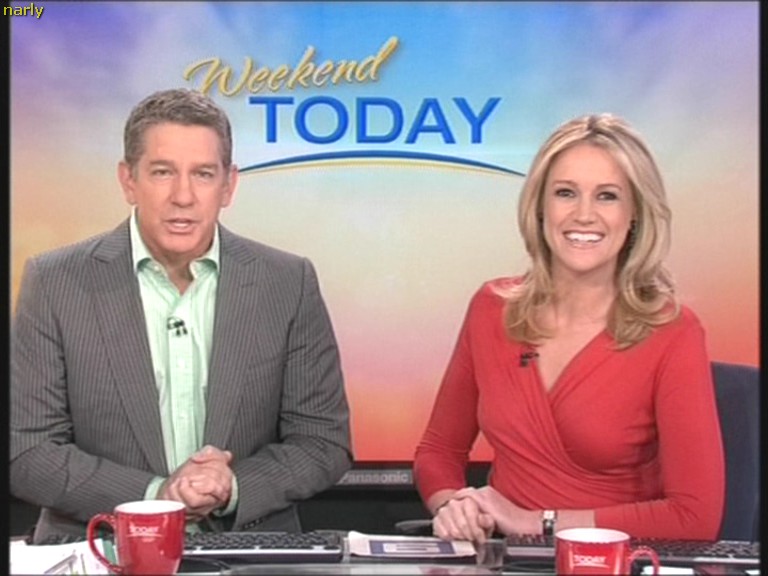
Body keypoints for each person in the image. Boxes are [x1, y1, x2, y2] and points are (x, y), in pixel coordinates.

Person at [10, 88, 353, 543]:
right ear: (128, 180)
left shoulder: (287, 282)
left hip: (247, 548)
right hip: (99, 548)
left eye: (203, 174)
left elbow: (322, 441)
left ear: (228, 185)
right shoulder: (56, 281)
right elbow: (27, 450)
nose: (183, 196)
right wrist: (157, 496)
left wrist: (231, 485)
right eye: (162, 172)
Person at [413, 113, 725, 543]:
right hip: (505, 561)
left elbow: (695, 517)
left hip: (614, 563)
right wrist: (454, 507)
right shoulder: (491, 309)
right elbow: (438, 452)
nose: (584, 215)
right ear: (540, 206)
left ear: (635, 213)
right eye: (565, 193)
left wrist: (536, 521)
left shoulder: (673, 333)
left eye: (607, 196)